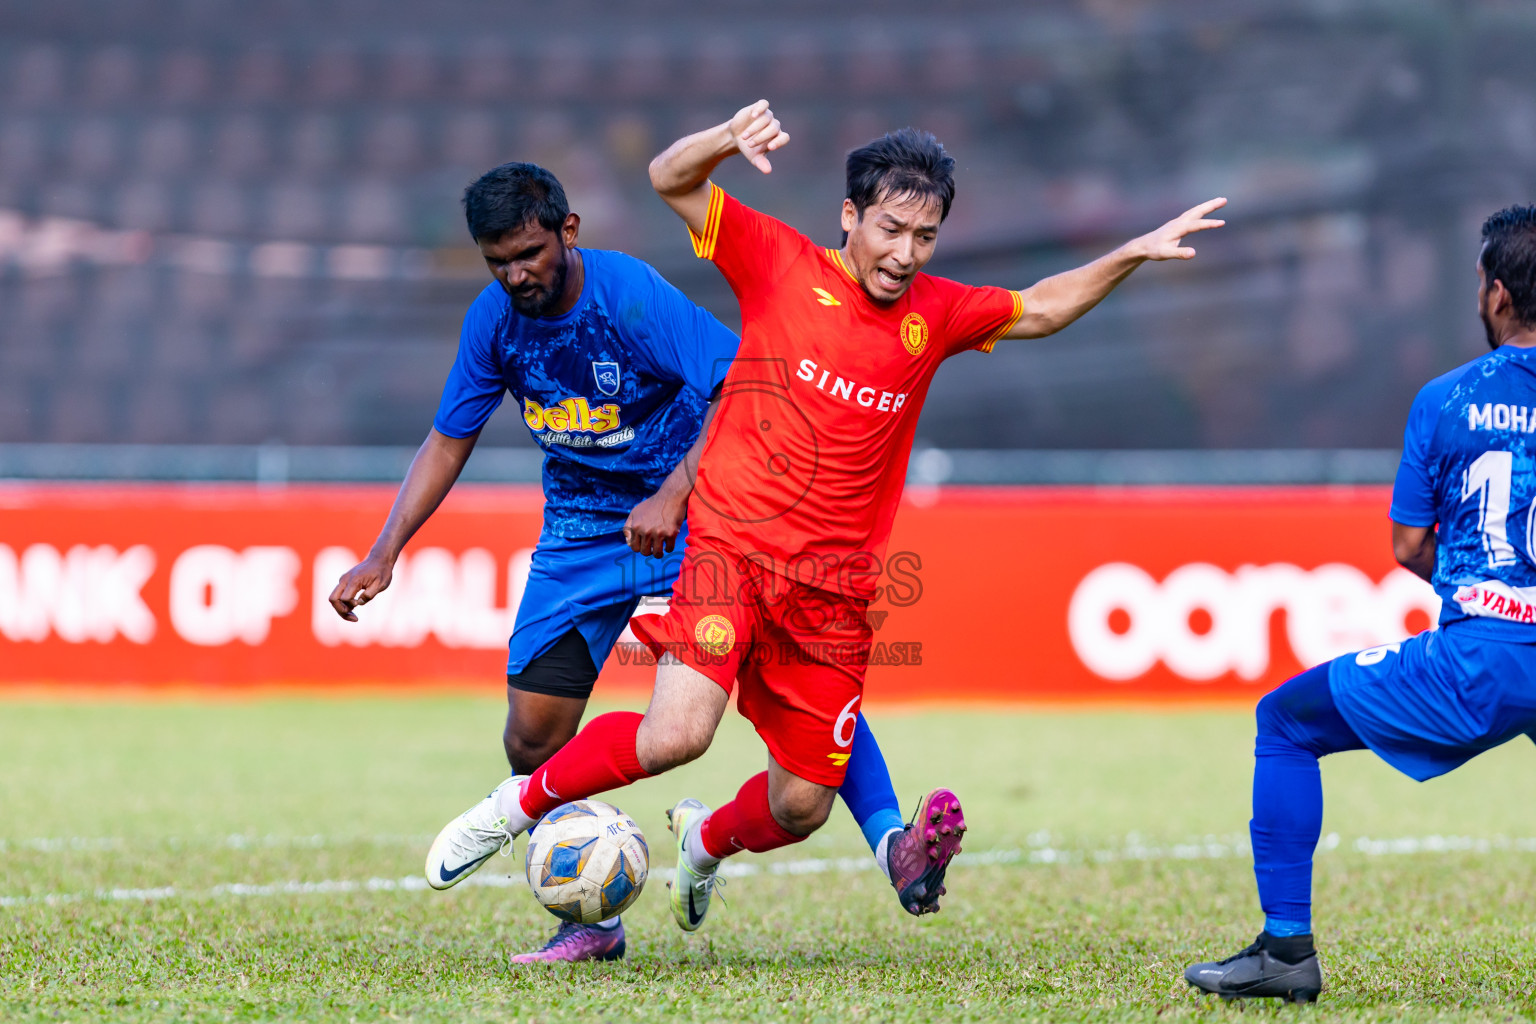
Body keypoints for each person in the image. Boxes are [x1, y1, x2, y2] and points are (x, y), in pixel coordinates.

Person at [462, 101, 1226, 935]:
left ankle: (704, 846)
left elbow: (1039, 307)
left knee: (800, 807)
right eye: (891, 229)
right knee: (678, 733)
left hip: (831, 591)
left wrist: (1130, 254)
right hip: (730, 550)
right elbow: (669, 177)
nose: (905, 254)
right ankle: (512, 806)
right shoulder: (777, 261)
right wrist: (726, 138)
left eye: (925, 237)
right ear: (850, 215)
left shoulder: (935, 314)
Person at [327, 161, 962, 963]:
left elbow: (743, 384)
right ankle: (589, 918)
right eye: (499, 261)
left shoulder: (629, 298)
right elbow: (449, 436)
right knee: (531, 738)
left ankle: (888, 838)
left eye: (529, 253)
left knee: (799, 673)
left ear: (569, 232)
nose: (516, 274)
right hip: (584, 536)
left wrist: (671, 493)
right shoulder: (494, 321)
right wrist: (384, 554)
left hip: (704, 518)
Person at [1184, 205, 1536, 1003]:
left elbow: (1410, 547)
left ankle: (1284, 952)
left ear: (1498, 296)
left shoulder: (1447, 400)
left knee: (1284, 722)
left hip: (1477, 659)